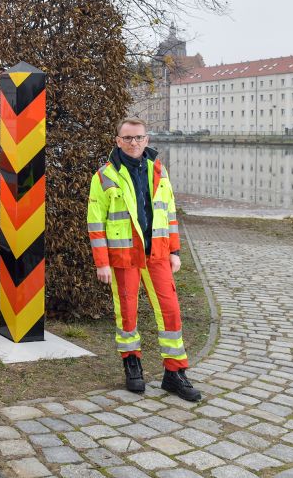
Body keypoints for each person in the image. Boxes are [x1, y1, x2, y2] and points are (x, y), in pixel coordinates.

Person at [87, 117, 201, 402]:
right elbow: (95, 223)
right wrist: (102, 263)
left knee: (171, 310)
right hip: (124, 255)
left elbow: (170, 214)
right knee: (126, 310)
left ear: (147, 140)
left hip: (158, 253)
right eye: (127, 138)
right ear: (118, 141)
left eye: (138, 137)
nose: (133, 143)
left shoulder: (159, 172)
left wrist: (174, 251)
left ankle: (174, 373)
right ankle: (132, 364)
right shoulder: (104, 176)